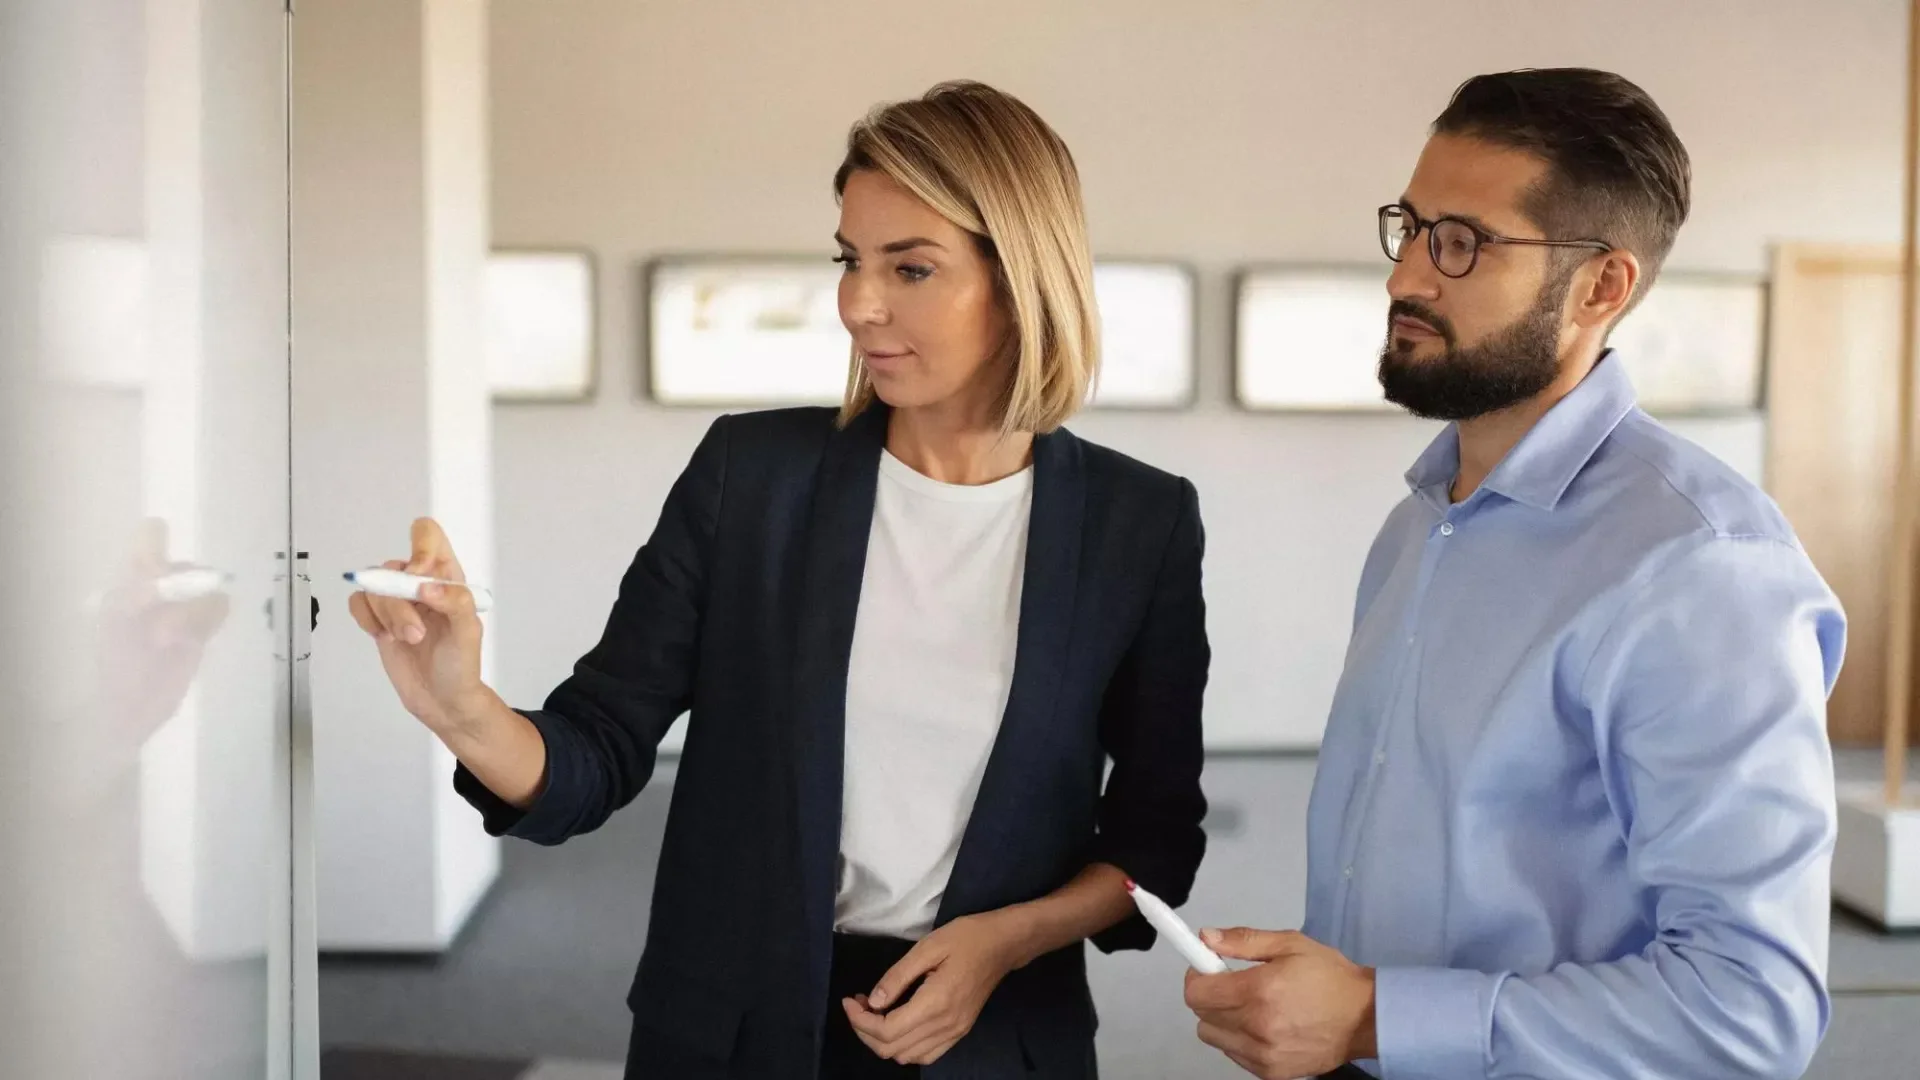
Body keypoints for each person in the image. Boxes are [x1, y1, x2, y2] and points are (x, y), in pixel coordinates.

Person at [349, 80, 1210, 1080]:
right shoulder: (751, 478)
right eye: (849, 259)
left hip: (996, 1039)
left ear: (1022, 278)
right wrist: (461, 708)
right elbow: (599, 747)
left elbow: (1154, 840)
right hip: (735, 1031)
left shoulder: (1138, 524)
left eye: (910, 266)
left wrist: (1005, 944)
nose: (858, 302)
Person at [1184, 68, 1844, 1080]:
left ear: (1601, 287)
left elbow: (1749, 1008)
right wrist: (1346, 1015)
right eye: (1410, 226)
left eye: (1463, 242)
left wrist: (1374, 1016)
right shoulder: (1420, 523)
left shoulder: (1701, 567)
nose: (1407, 275)